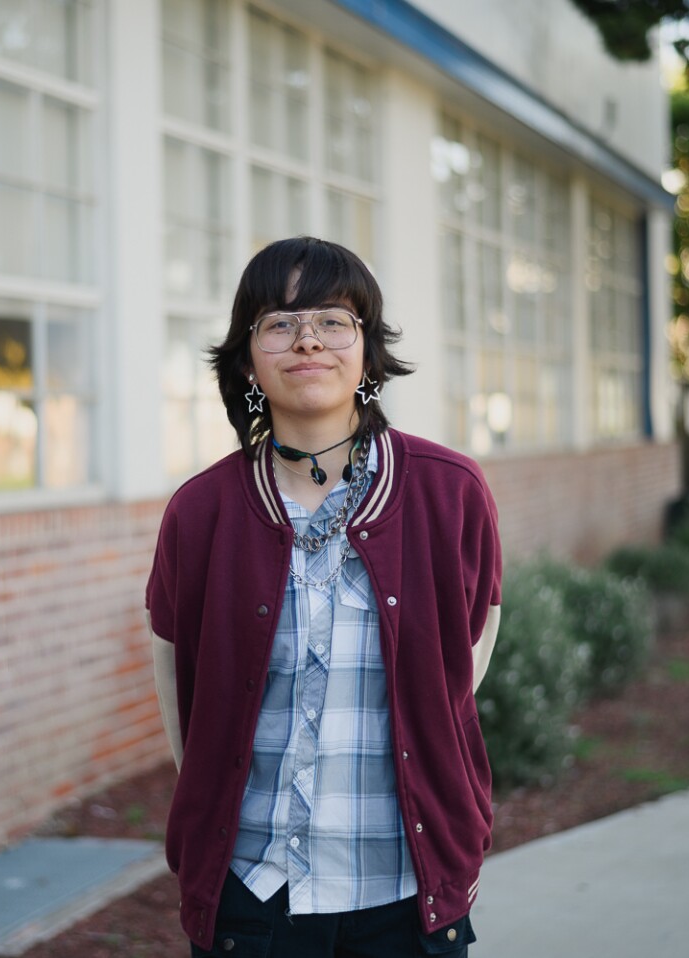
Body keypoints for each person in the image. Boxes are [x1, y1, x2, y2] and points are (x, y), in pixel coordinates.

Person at [146, 237, 503, 957]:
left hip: (407, 888)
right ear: (248, 359)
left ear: (367, 352)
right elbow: (181, 695)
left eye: (334, 319)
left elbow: (465, 665)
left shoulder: (449, 493)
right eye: (279, 322)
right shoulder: (201, 511)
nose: (307, 338)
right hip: (254, 892)